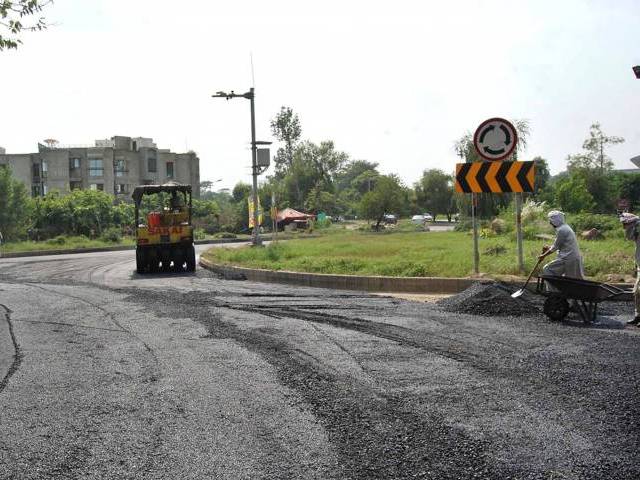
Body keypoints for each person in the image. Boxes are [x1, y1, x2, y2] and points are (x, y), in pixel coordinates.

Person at [538, 210, 584, 279]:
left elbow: (555, 247)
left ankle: (554, 289)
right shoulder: (565, 227)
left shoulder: (562, 230)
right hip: (570, 258)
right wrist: (549, 248)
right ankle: (557, 289)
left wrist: (543, 256)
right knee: (572, 280)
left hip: (568, 258)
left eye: (551, 220)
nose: (550, 223)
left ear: (556, 221)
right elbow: (559, 244)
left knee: (547, 269)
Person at [620, 212, 640, 326]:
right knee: (636, 292)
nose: (624, 228)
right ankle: (638, 315)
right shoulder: (636, 232)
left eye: (625, 225)